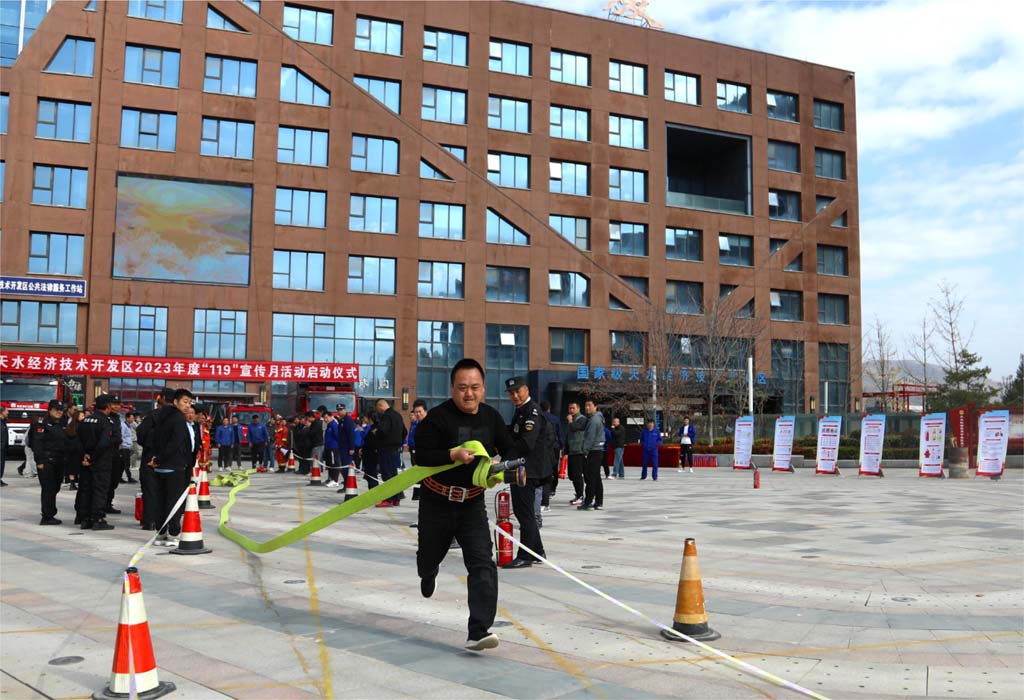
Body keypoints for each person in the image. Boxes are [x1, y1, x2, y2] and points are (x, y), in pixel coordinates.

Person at [413, 358, 518, 651]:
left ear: (483, 389)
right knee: (428, 557)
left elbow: (510, 447)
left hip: (472, 504)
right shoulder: (437, 418)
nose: (468, 393)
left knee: (483, 562)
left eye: (474, 387)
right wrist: (452, 454)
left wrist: (504, 465)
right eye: (462, 388)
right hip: (436, 502)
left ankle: (478, 630)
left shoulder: (491, 418)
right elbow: (421, 455)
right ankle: (428, 572)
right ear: (452, 389)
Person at [501, 377, 548, 568]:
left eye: (518, 391)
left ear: (526, 390)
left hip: (528, 469)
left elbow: (526, 443)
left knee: (524, 513)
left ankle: (525, 556)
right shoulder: (521, 411)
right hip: (522, 468)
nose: (515, 396)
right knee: (524, 511)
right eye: (511, 393)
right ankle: (537, 551)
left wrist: (505, 458)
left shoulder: (532, 412)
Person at [150, 389, 196, 546]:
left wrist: (155, 458)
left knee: (160, 500)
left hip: (159, 466)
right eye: (185, 402)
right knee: (174, 501)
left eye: (190, 403)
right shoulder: (178, 419)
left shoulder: (160, 416)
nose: (187, 405)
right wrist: (161, 458)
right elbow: (176, 443)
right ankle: (173, 533)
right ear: (175, 402)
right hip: (174, 466)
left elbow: (153, 438)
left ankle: (161, 533)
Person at [76, 394, 120, 531]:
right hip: (101, 462)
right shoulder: (106, 422)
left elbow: (77, 440)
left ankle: (85, 519)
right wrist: (93, 458)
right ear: (107, 406)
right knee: (99, 490)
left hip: (85, 461)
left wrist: (84, 456)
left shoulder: (85, 420)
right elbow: (104, 443)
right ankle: (98, 519)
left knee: (86, 489)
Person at [136, 387, 174, 530]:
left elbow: (141, 433)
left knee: (150, 490)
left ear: (162, 398)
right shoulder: (178, 417)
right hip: (170, 459)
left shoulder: (153, 415)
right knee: (168, 491)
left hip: (150, 457)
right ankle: (167, 520)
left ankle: (150, 521)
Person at [31, 400, 67, 525]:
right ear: (50, 410)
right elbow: (37, 443)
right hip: (47, 461)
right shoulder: (42, 424)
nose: (59, 412)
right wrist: (39, 461)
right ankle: (47, 516)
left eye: (61, 410)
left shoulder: (60, 423)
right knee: (48, 489)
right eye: (56, 410)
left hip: (58, 460)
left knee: (55, 487)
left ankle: (50, 512)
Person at [373, 399, 406, 507]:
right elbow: (404, 431)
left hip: (386, 448)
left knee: (387, 473)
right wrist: (399, 442)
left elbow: (383, 430)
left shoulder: (386, 416)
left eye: (377, 409)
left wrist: (376, 432)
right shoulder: (398, 415)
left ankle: (388, 499)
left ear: (380, 406)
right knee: (394, 474)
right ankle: (397, 498)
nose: (378, 411)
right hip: (396, 449)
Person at [579, 400, 605, 511]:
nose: (587, 407)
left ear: (595, 407)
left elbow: (590, 437)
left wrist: (585, 451)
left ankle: (588, 502)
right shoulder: (597, 418)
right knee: (596, 477)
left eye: (589, 405)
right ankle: (599, 502)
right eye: (586, 405)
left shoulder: (594, 420)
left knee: (590, 478)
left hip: (593, 451)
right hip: (597, 450)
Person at [538, 400, 562, 512]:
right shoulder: (554, 419)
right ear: (549, 408)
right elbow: (557, 435)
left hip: (540, 452)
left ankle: (543, 500)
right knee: (552, 471)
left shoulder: (538, 420)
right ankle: (552, 489)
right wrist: (561, 445)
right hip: (552, 450)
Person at [565, 402, 587, 505]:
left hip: (578, 451)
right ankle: (578, 494)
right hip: (572, 451)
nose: (571, 410)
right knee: (572, 475)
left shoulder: (582, 419)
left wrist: (570, 421)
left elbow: (575, 428)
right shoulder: (572, 420)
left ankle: (581, 495)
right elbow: (568, 436)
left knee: (577, 474)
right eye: (570, 408)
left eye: (573, 408)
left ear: (578, 409)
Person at [323, 410, 340, 486]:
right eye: (324, 418)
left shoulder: (334, 425)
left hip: (333, 448)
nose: (325, 419)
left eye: (326, 417)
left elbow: (337, 436)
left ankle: (335, 480)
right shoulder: (329, 425)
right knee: (329, 464)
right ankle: (330, 478)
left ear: (331, 416)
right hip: (328, 447)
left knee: (334, 464)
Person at [0, 406, 8, 487]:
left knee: (2, 464)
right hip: (1, 448)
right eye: (6, 411)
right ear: (2, 412)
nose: (8, 412)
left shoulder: (3, 422)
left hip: (3, 448)